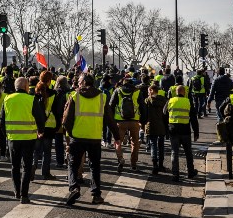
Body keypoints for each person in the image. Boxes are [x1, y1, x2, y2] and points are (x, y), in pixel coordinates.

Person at [63, 73, 120, 205]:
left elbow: (66, 120)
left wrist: (70, 133)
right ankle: (96, 194)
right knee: (95, 166)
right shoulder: (102, 97)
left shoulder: (74, 96)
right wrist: (116, 137)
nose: (77, 84)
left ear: (82, 83)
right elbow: (110, 119)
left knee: (73, 164)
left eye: (79, 82)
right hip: (94, 137)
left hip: (77, 137)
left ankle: (74, 187)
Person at [0, 76, 46, 204]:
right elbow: (40, 118)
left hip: (13, 139)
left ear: (15, 87)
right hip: (29, 138)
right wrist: (40, 131)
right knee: (26, 167)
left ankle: (17, 192)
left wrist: (6, 135)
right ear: (26, 87)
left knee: (14, 166)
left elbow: (1, 121)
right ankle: (24, 195)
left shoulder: (7, 99)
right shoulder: (31, 99)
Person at [109, 75, 147, 172]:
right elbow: (143, 107)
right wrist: (143, 122)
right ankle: (133, 163)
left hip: (120, 121)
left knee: (118, 142)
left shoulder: (117, 91)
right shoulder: (137, 92)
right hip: (134, 121)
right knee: (135, 142)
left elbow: (111, 106)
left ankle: (120, 159)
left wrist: (111, 120)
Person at [32, 70, 63, 181]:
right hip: (50, 126)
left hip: (36, 125)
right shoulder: (54, 94)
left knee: (35, 150)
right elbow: (57, 111)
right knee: (47, 152)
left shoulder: (34, 93)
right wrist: (58, 125)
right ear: (49, 81)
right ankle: (46, 173)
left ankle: (33, 166)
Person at [164, 85, 199, 182]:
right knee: (188, 152)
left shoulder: (170, 101)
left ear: (176, 92)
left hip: (173, 130)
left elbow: (164, 114)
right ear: (184, 92)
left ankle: (175, 174)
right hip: (185, 130)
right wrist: (196, 132)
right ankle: (190, 172)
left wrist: (167, 128)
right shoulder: (188, 101)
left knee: (174, 152)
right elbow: (193, 118)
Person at [144, 84, 168, 175]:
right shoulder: (163, 100)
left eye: (148, 91)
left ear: (151, 91)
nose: (148, 92)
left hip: (150, 125)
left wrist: (143, 124)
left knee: (153, 144)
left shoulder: (147, 101)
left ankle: (155, 165)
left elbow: (144, 114)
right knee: (161, 145)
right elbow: (166, 114)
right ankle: (161, 164)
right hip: (161, 125)